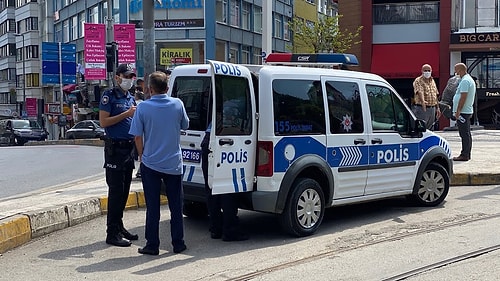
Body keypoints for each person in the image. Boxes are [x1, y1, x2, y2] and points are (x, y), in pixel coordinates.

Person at [129, 71, 189, 255]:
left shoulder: (143, 108)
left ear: (149, 89)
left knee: (153, 207)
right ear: (168, 88)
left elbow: (137, 136)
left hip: (151, 163)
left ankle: (152, 245)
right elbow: (185, 125)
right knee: (176, 207)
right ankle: (178, 243)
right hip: (173, 164)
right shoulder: (178, 104)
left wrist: (141, 154)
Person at [99, 64, 138, 247]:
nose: (129, 79)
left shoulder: (130, 97)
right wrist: (126, 114)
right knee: (115, 192)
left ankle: (119, 226)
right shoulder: (110, 96)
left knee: (124, 192)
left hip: (129, 149)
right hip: (115, 149)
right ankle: (111, 233)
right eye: (126, 76)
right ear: (117, 77)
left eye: (132, 76)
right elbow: (104, 121)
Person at [201, 123, 249, 242]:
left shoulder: (217, 106)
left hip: (209, 141)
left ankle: (215, 228)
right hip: (225, 142)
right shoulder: (230, 106)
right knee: (228, 188)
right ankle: (230, 231)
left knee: (212, 188)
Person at [452, 63, 476, 161]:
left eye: (456, 70)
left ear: (460, 70)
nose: (455, 72)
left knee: (464, 134)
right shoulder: (466, 79)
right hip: (465, 111)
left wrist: (458, 110)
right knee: (466, 133)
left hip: (463, 112)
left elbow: (463, 97)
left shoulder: (465, 81)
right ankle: (466, 153)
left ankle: (465, 154)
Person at [412, 64, 441, 130]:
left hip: (432, 108)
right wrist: (422, 101)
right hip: (422, 108)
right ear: (422, 71)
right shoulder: (418, 80)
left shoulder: (432, 81)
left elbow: (435, 94)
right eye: (425, 70)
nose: (427, 72)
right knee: (421, 128)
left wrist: (438, 108)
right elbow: (420, 91)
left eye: (429, 70)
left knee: (430, 129)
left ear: (431, 71)